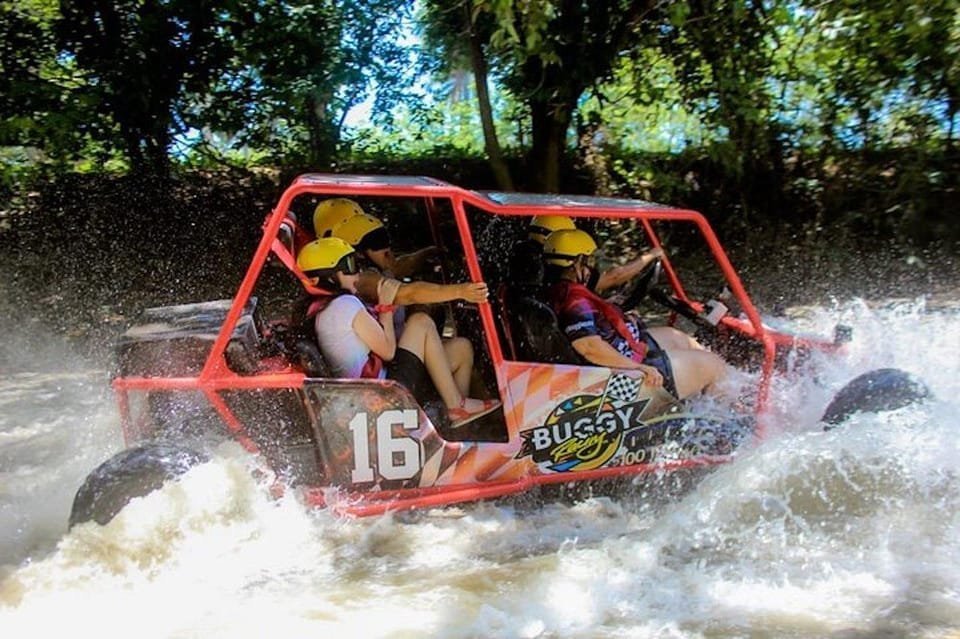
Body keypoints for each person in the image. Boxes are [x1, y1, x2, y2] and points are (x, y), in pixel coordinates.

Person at [296, 238, 500, 427]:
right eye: (349, 267)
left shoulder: (322, 308)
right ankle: (457, 406)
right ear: (329, 277)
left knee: (461, 348)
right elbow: (388, 351)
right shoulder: (344, 305)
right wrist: (386, 305)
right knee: (420, 322)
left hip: (373, 388)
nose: (358, 274)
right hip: (383, 394)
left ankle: (456, 420)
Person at [542, 229, 727, 400]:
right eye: (588, 262)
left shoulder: (559, 289)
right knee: (715, 366)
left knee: (678, 338)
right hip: (620, 374)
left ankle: (708, 401)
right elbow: (589, 346)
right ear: (576, 264)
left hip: (623, 349)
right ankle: (725, 426)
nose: (591, 268)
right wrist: (638, 367)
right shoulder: (573, 301)